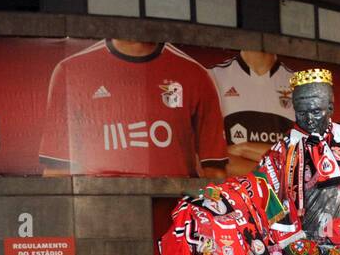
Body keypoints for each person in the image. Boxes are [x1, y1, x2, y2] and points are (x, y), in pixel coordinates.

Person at [40, 39, 228, 179]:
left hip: (175, 223)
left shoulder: (194, 73)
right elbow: (58, 170)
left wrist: (212, 221)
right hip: (99, 220)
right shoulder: (71, 70)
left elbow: (214, 170)